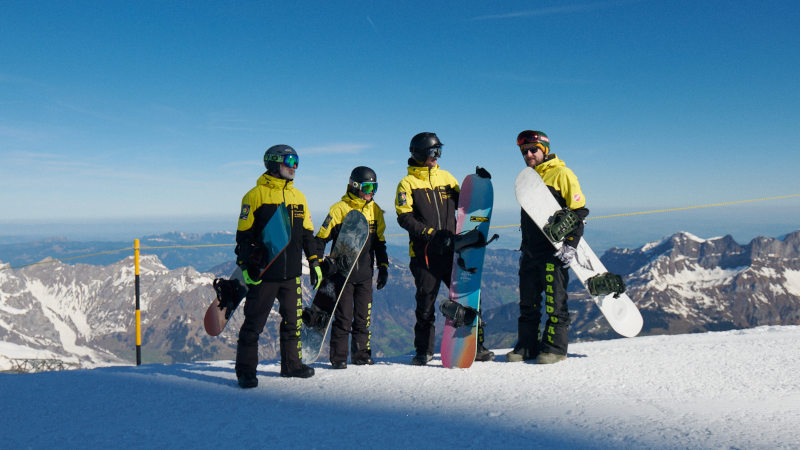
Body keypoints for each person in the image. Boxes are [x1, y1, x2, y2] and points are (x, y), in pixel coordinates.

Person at [395, 132, 495, 365]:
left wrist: (478, 185)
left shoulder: (447, 178)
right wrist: (431, 235)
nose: (437, 156)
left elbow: (465, 205)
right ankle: (424, 351)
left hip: (451, 251)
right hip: (424, 255)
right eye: (433, 151)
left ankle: (475, 346)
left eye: (439, 151)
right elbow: (404, 218)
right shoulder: (407, 183)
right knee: (425, 304)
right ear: (420, 153)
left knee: (467, 299)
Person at [234, 144, 319, 387]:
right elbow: (243, 236)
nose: (294, 167)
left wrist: (314, 263)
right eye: (289, 161)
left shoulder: (298, 196)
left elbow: (307, 234)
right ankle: (246, 372)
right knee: (254, 324)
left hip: (291, 274)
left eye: (296, 162)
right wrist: (246, 265)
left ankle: (292, 366)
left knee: (293, 322)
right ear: (273, 162)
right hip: (265, 274)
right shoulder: (255, 195)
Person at [508, 130, 589, 364]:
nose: (529, 154)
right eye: (525, 151)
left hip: (554, 251)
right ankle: (527, 346)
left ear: (544, 150)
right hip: (530, 250)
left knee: (555, 302)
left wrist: (571, 245)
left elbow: (579, 210)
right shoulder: (528, 178)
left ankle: (555, 348)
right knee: (528, 302)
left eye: (533, 150)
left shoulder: (561, 173)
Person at [307, 166, 389, 369]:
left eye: (375, 187)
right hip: (342, 276)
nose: (371, 192)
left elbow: (379, 242)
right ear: (355, 186)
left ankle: (361, 354)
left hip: (364, 274)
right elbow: (321, 238)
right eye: (368, 187)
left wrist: (384, 266)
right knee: (343, 318)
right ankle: (339, 357)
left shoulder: (375, 210)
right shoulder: (339, 209)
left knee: (363, 318)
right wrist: (315, 263)